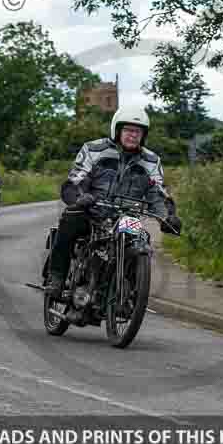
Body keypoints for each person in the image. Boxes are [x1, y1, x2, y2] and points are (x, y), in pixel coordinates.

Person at [44, 105, 182, 299]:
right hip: (92, 211)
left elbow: (157, 193)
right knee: (70, 218)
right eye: (128, 130)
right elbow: (75, 179)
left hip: (127, 217)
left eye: (138, 132)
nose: (133, 135)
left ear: (144, 135)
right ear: (117, 130)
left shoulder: (151, 161)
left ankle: (129, 293)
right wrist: (80, 197)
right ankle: (56, 277)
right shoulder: (94, 149)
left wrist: (167, 217)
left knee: (141, 240)